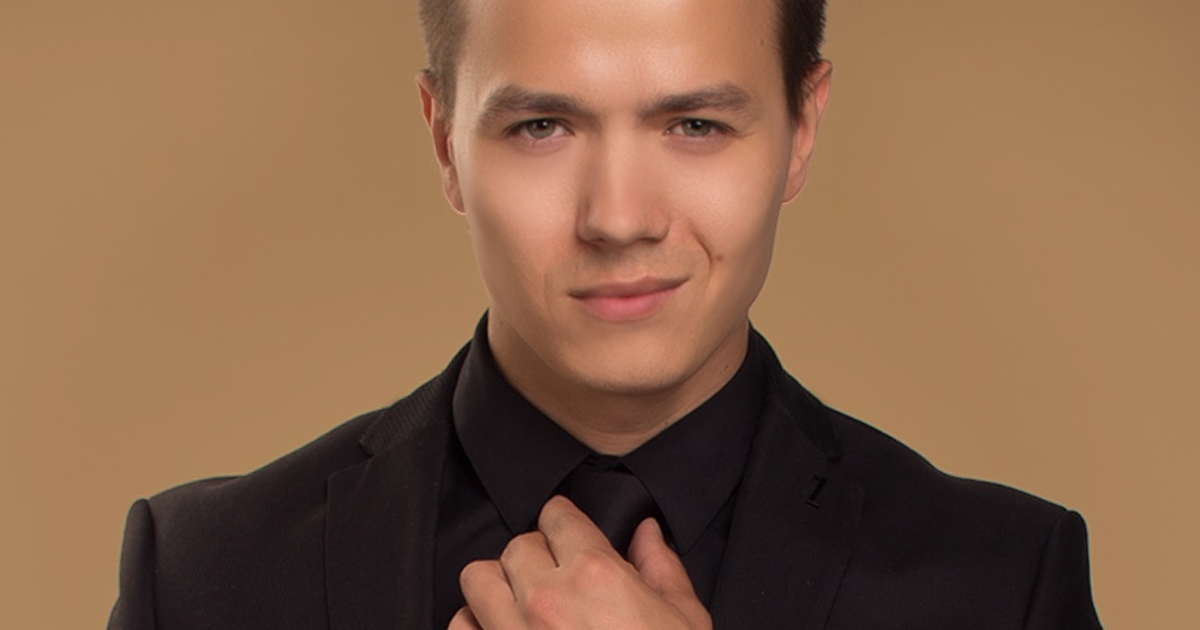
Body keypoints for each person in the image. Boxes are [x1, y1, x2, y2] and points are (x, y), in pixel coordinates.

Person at [108, 0, 1103, 628]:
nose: (618, 218)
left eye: (695, 124)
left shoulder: (1001, 585)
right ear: (445, 142)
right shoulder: (203, 576)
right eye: (542, 126)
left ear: (802, 128)